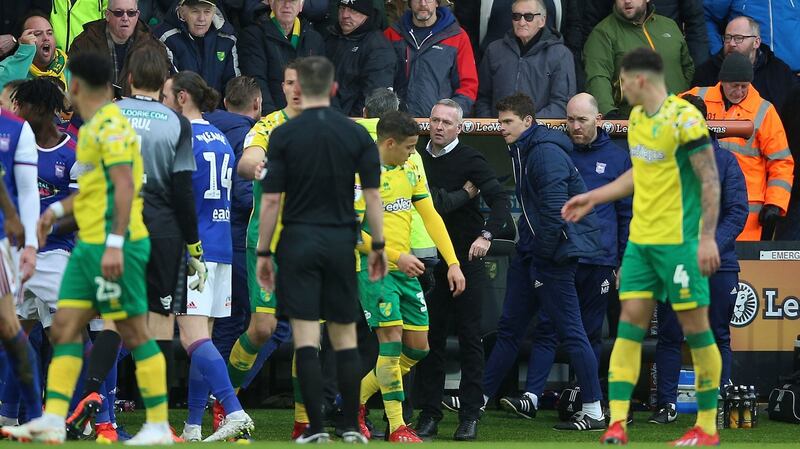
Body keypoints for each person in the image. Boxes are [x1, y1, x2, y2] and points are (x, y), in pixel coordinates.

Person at [4, 51, 172, 445]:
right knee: (64, 327)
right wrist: (55, 210)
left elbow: (125, 186)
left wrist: (114, 244)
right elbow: (96, 191)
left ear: (76, 85)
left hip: (118, 245)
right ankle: (53, 418)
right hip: (87, 247)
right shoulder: (94, 127)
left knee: (131, 330)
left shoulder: (110, 126)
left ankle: (159, 424)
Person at [563, 47, 723, 445]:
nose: (618, 87)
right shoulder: (635, 119)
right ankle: (616, 422)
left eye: (621, 79)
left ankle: (705, 426)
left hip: (680, 244)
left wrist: (705, 238)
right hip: (641, 243)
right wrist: (594, 197)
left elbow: (709, 180)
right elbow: (640, 174)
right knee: (629, 328)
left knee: (696, 330)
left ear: (639, 79)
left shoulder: (684, 119)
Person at [255, 55, 386, 444]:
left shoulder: (283, 135)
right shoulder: (357, 135)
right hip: (340, 242)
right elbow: (374, 197)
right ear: (333, 89)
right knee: (345, 338)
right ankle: (348, 425)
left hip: (298, 242)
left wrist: (264, 252)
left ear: (298, 89)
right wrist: (377, 245)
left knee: (307, 339)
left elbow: (271, 202)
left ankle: (314, 429)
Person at [494, 92, 632, 424]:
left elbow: (627, 214)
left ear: (598, 120)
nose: (575, 126)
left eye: (582, 119)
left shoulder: (617, 158)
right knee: (549, 329)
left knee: (588, 334)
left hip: (600, 259)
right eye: (569, 119)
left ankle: (588, 402)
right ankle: (533, 397)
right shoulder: (554, 152)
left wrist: (624, 259)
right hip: (563, 255)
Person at [354, 110, 466, 443]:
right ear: (389, 143)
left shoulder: (409, 169)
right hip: (376, 269)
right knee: (390, 346)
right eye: (408, 147)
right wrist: (394, 256)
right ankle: (398, 426)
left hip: (404, 269)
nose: (413, 153)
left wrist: (454, 262)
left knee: (418, 348)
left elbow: (430, 216)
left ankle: (353, 400)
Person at [161, 71, 255, 442]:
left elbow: (177, 195)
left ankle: (234, 410)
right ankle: (194, 426)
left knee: (190, 337)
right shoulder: (218, 137)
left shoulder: (180, 136)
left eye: (168, 95)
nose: (164, 102)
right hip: (222, 246)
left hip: (193, 247)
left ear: (183, 97)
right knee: (205, 338)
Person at [412, 99, 509, 441]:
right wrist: (461, 195)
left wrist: (486, 235)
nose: (438, 127)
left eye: (446, 122)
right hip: (428, 261)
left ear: (460, 128)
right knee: (430, 340)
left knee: (471, 339)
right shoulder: (415, 158)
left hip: (467, 261)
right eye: (434, 120)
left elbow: (500, 201)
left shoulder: (471, 159)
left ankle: (469, 415)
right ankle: (429, 414)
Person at [648, 93, 748, 424]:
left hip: (717, 264)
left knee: (717, 334)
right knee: (670, 335)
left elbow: (737, 213)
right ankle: (666, 404)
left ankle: (715, 404)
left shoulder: (726, 162)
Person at [221, 64, 300, 436]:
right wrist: (268, 170)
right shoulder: (268, 125)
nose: (296, 89)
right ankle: (227, 403)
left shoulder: (329, 127)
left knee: (311, 332)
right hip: (266, 242)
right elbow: (248, 161)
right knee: (263, 328)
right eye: (288, 82)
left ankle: (305, 422)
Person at [687, 52, 794, 241]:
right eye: (734, 86)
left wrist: (775, 203)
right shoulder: (696, 98)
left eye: (744, 86)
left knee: (742, 266)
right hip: (699, 200)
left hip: (745, 211)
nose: (739, 91)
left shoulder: (764, 111)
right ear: (722, 81)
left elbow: (781, 162)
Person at [204, 76, 261, 361]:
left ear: (226, 102)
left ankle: (216, 391)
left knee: (221, 320)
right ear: (258, 104)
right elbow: (244, 192)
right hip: (236, 238)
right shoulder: (252, 137)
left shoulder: (201, 128)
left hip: (201, 234)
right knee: (271, 322)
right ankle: (229, 388)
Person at [0, 73, 42, 435]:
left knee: (10, 329)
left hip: (3, 244)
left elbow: (29, 193)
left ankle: (34, 415)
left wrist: (30, 244)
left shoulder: (15, 131)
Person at [583, 0, 694, 117]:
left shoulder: (669, 25)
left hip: (679, 118)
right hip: (634, 123)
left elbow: (688, 68)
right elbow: (597, 77)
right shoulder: (603, 33)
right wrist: (610, 115)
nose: (627, 1)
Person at [475, 0, 576, 118]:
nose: (521, 22)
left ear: (542, 21)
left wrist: (526, 125)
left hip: (542, 132)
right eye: (516, 16)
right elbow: (482, 98)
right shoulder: (494, 50)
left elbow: (562, 104)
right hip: (496, 131)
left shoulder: (561, 55)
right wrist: (492, 126)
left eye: (529, 17)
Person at [384, 0, 478, 117]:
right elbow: (381, 83)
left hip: (440, 126)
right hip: (398, 125)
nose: (423, 3)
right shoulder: (391, 34)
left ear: (437, 2)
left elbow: (468, 85)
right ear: (409, 2)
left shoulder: (458, 37)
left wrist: (449, 115)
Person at [692, 16, 799, 113]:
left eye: (739, 38)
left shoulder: (779, 72)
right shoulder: (706, 72)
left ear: (756, 42)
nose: (732, 44)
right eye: (728, 38)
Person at [238, 0, 325, 114]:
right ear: (271, 3)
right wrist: (274, 119)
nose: (287, 5)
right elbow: (257, 81)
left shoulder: (314, 39)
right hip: (271, 119)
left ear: (301, 6)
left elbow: (322, 84)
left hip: (308, 120)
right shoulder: (253, 35)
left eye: (292, 1)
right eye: (281, 0)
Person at [69, 0, 172, 96]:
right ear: (107, 15)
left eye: (131, 13)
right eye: (119, 13)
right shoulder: (84, 43)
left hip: (137, 113)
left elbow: (164, 90)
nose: (125, 18)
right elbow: (72, 87)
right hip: (95, 111)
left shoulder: (154, 47)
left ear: (137, 15)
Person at [580, 0, 709, 67]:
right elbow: (591, 25)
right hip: (622, 53)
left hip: (668, 50)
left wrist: (699, 73)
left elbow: (696, 24)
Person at [325, 0, 396, 117]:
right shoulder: (331, 37)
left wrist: (348, 122)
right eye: (342, 8)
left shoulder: (378, 47)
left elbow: (373, 97)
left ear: (366, 14)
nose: (345, 15)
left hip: (352, 124)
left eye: (353, 10)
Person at [155, 0, 239, 96]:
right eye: (195, 11)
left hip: (217, 109)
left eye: (207, 12)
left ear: (214, 12)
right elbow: (171, 86)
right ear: (182, 13)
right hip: (180, 108)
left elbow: (233, 86)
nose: (201, 18)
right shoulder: (166, 38)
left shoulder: (227, 39)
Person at [0, 14, 68, 89]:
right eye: (37, 34)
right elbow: (3, 91)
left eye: (49, 33)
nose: (46, 38)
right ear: (22, 41)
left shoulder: (70, 68)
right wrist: (25, 52)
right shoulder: (7, 66)